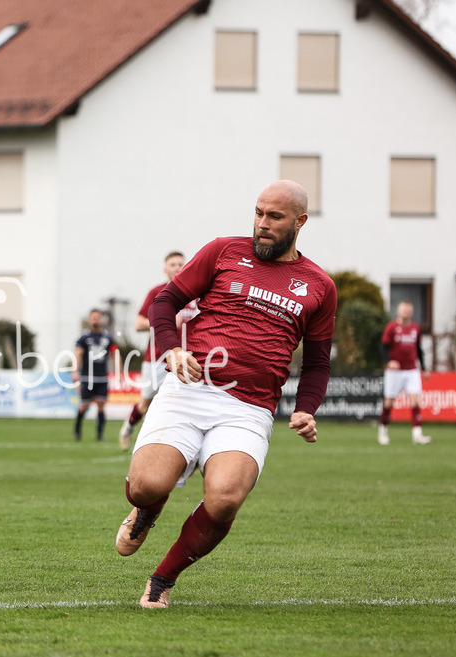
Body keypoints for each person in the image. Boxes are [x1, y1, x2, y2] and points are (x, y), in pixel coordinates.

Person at [114, 180, 337, 608]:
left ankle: (162, 579)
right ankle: (147, 508)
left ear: (300, 222)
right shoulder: (222, 251)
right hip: (190, 389)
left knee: (225, 499)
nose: (262, 223)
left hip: (249, 409)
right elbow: (164, 302)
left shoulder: (319, 285)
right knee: (145, 486)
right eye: (258, 213)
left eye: (275, 217)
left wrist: (307, 409)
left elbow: (317, 363)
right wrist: (172, 349)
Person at [118, 251, 199, 451]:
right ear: (165, 269)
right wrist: (165, 320)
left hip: (187, 356)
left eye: (181, 264)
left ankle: (177, 445)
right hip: (157, 357)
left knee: (185, 403)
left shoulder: (195, 293)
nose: (177, 267)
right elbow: (139, 324)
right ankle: (128, 427)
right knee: (146, 403)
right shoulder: (157, 292)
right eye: (173, 264)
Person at [378, 301, 432, 445]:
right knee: (389, 402)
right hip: (394, 372)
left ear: (412, 312)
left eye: (408, 310)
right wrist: (389, 361)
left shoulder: (415, 328)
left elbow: (419, 350)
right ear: (398, 311)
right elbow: (383, 348)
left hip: (411, 370)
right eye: (403, 310)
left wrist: (424, 369)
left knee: (415, 400)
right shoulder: (391, 327)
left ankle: (417, 434)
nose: (406, 312)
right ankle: (383, 431)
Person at [73, 309, 119, 441]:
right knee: (84, 405)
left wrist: (119, 371)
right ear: (89, 319)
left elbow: (115, 354)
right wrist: (75, 371)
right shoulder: (84, 338)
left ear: (101, 319)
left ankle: (100, 434)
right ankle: (77, 429)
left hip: (102, 377)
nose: (95, 320)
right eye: (93, 317)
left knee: (101, 405)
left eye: (98, 317)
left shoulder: (108, 337)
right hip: (87, 377)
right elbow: (78, 354)